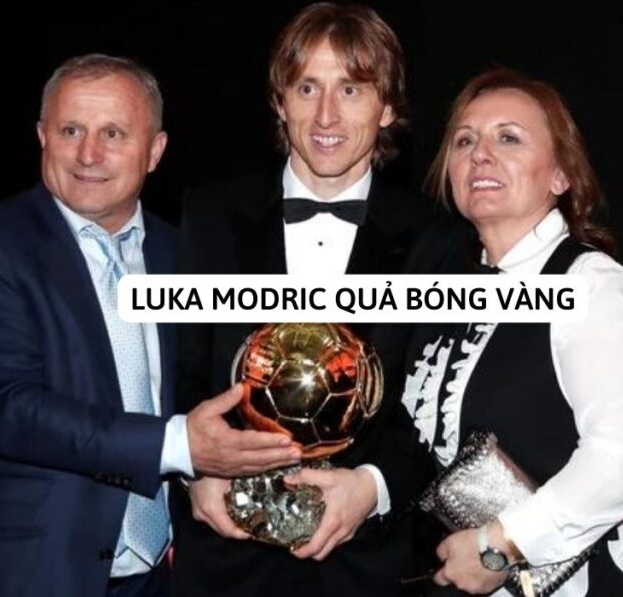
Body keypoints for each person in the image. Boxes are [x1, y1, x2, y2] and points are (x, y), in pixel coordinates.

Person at [0, 53, 298, 597]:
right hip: (23, 575)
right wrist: (180, 447)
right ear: (42, 137)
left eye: (113, 133)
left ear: (155, 151)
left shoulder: (182, 256)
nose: (88, 154)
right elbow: (11, 410)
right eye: (71, 130)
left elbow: (196, 392)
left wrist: (202, 472)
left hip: (163, 578)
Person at [396, 68, 623, 595]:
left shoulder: (591, 284)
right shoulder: (441, 293)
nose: (480, 155)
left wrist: (501, 544)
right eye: (465, 141)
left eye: (508, 138)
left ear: (560, 175)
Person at [173, 3, 440, 596]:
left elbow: (435, 408)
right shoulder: (209, 216)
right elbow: (178, 371)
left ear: (387, 108)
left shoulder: (438, 239)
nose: (326, 115)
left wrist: (373, 486)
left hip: (366, 568)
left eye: (351, 89)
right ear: (280, 102)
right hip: (225, 563)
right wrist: (193, 473)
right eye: (307, 87)